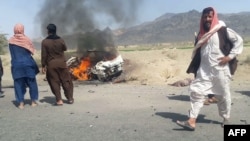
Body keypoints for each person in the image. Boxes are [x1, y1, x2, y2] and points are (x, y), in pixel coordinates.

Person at [176, 7, 243, 131]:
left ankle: (225, 118)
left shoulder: (222, 30)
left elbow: (239, 41)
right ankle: (191, 120)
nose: (207, 19)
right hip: (204, 70)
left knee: (223, 95)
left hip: (221, 70)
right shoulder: (201, 34)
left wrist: (229, 57)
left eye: (209, 16)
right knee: (196, 92)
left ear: (214, 17)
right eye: (205, 17)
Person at [41, 23, 74, 106]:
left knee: (54, 82)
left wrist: (43, 65)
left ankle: (59, 100)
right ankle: (70, 98)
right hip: (62, 64)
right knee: (66, 81)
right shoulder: (61, 40)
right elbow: (65, 48)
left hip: (51, 65)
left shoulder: (45, 42)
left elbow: (44, 55)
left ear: (48, 31)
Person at [9, 23, 40, 109]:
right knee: (32, 82)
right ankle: (33, 102)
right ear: (23, 29)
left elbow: (12, 54)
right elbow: (31, 51)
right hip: (28, 64)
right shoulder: (27, 40)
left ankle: (21, 103)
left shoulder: (11, 41)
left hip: (16, 65)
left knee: (18, 84)